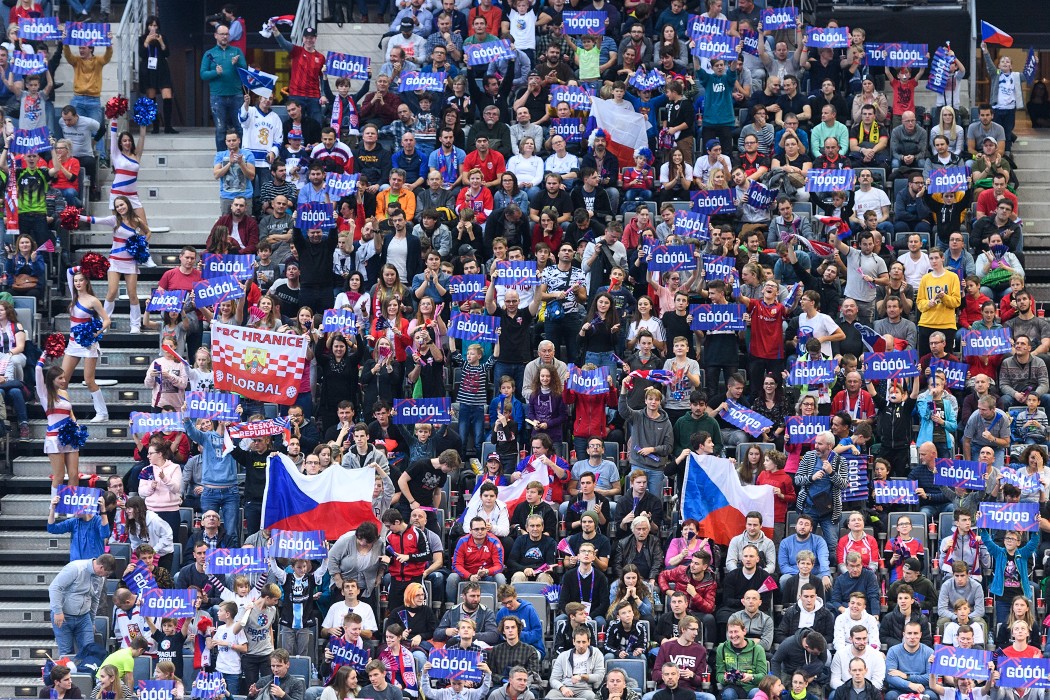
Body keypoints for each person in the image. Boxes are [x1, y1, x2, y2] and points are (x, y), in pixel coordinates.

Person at [48, 554, 116, 657]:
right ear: (101, 567)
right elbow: (54, 588)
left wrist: (92, 621)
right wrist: (58, 611)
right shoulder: (75, 568)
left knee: (89, 650)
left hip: (84, 617)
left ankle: (85, 672)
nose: (104, 577)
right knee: (66, 652)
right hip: (64, 616)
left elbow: (95, 600)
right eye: (105, 574)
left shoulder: (100, 578)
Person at [200, 22, 246, 151]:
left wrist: (237, 64)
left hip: (236, 95)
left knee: (240, 128)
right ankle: (221, 158)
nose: (225, 37)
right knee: (220, 129)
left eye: (227, 34)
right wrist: (215, 72)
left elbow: (245, 71)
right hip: (217, 96)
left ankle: (242, 157)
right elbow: (203, 74)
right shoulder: (209, 53)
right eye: (222, 34)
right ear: (215, 36)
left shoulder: (237, 51)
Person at [547, 626, 606, 700]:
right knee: (549, 697)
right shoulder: (563, 656)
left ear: (589, 642)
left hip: (585, 689)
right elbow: (553, 679)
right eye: (578, 642)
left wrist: (582, 677)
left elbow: (599, 676)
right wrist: (562, 688)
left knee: (592, 697)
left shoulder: (596, 653)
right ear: (573, 641)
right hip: (565, 687)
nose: (581, 645)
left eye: (584, 642)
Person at [885, 621, 936, 700]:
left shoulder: (929, 652)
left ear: (920, 635)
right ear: (904, 634)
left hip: (922, 688)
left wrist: (906, 676)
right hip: (899, 689)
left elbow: (930, 678)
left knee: (932, 696)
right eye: (909, 633)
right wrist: (910, 684)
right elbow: (890, 676)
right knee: (890, 696)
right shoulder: (893, 651)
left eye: (915, 633)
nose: (912, 637)